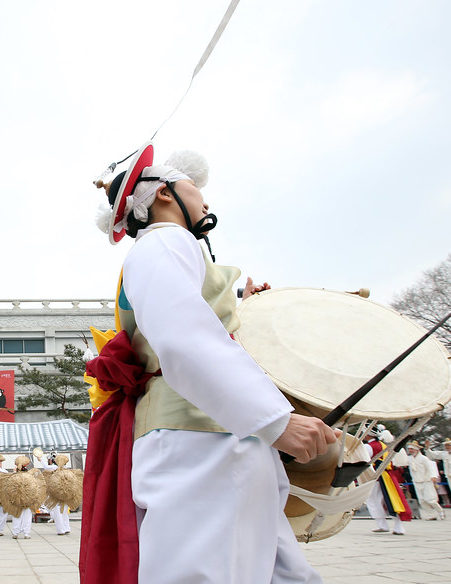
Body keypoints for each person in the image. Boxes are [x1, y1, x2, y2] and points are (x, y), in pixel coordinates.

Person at [82, 144, 339, 584]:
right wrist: (276, 421)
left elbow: (190, 328)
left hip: (217, 432)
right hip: (200, 436)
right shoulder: (165, 239)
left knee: (277, 572)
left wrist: (242, 310)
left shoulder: (168, 249)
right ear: (163, 194)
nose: (204, 199)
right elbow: (183, 339)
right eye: (192, 187)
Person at [362, 429, 411, 535]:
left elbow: (364, 461)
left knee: (374, 500)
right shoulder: (383, 445)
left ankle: (382, 525)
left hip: (375, 476)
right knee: (391, 500)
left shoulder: (368, 447)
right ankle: (398, 527)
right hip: (387, 476)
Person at [404, 441, 445, 521]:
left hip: (426, 481)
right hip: (416, 481)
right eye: (409, 449)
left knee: (430, 499)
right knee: (422, 501)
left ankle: (440, 511)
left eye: (412, 449)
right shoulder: (410, 459)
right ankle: (431, 514)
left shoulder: (424, 458)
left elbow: (430, 467)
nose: (410, 451)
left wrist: (433, 476)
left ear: (417, 450)